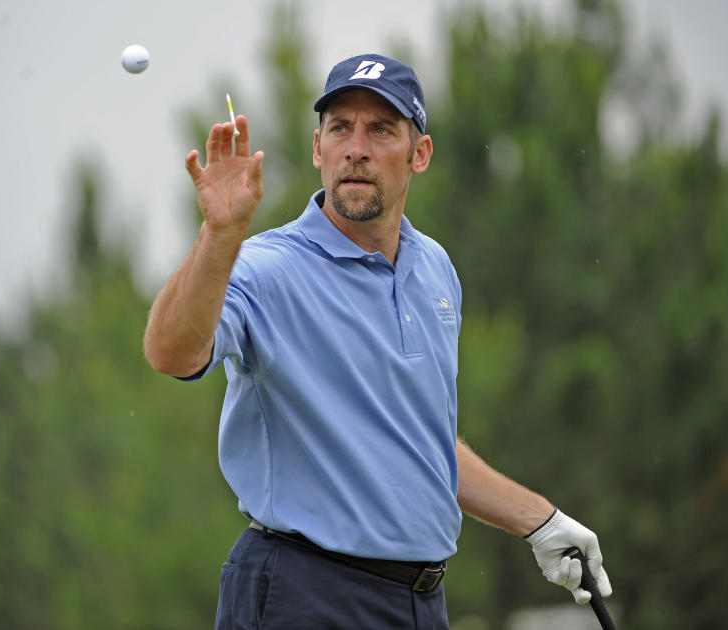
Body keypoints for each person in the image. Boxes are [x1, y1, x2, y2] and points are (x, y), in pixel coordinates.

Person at [143, 53, 612, 629]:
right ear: (318, 149)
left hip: (418, 603)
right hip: (302, 594)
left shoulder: (435, 269)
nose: (355, 148)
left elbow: (420, 443)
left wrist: (539, 519)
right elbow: (171, 353)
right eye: (340, 128)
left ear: (420, 155)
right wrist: (220, 236)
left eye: (381, 129)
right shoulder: (265, 267)